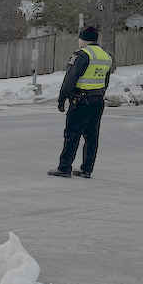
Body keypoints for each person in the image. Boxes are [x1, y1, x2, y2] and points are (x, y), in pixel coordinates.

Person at [48, 26, 113, 178]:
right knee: (92, 136)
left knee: (72, 134)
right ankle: (87, 169)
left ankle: (64, 167)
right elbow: (106, 81)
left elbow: (71, 78)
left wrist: (62, 98)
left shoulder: (83, 54)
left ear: (83, 39)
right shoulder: (106, 56)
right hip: (97, 100)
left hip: (81, 100)